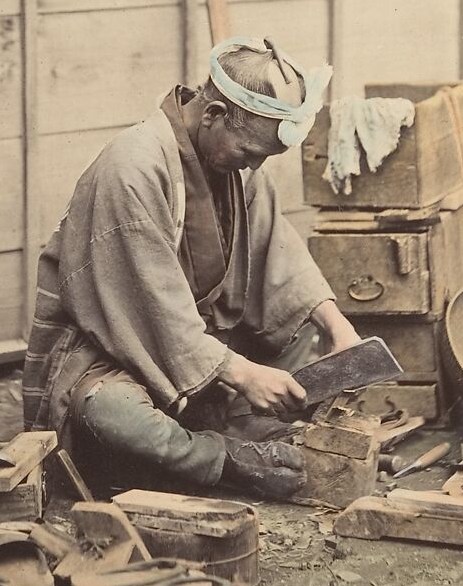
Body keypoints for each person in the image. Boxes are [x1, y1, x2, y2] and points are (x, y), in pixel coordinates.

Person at [22, 36, 361, 500]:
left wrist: (336, 329)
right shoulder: (133, 167)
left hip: (199, 350)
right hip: (118, 351)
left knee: (305, 338)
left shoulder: (236, 167)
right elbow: (152, 306)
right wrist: (243, 375)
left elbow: (278, 258)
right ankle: (225, 459)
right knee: (111, 412)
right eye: (249, 152)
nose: (256, 165)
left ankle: (228, 430)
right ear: (213, 115)